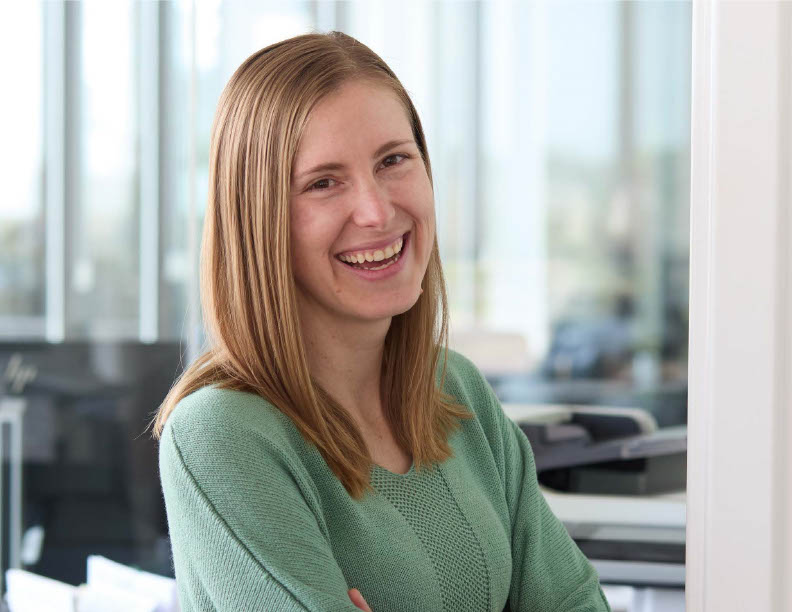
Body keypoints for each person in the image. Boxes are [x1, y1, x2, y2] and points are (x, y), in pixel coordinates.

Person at [151, 31, 611, 612]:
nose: (375, 210)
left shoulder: (456, 390)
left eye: (393, 160)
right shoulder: (223, 435)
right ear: (261, 220)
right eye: (324, 183)